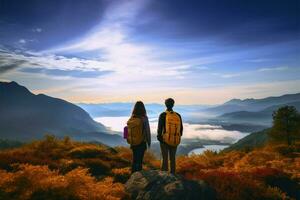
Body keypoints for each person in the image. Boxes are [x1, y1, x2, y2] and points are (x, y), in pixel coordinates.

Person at [157, 98, 183, 174]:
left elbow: (159, 129)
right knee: (172, 158)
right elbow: (181, 129)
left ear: (165, 104)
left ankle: (164, 176)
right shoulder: (178, 115)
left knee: (165, 158)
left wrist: (160, 138)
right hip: (175, 139)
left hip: (164, 140)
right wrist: (177, 137)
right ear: (173, 105)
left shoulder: (163, 115)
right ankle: (173, 174)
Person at [127, 101, 151, 173]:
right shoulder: (144, 118)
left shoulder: (132, 118)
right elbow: (147, 130)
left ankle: (132, 175)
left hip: (133, 142)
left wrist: (127, 138)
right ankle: (138, 178)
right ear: (143, 109)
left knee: (134, 160)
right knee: (139, 161)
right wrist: (148, 142)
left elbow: (125, 129)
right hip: (141, 142)